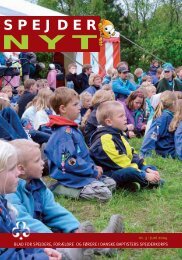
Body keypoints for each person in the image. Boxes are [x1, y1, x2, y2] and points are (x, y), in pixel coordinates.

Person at [44, 87, 116, 201]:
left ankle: (89, 184)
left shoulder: (72, 128)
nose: (80, 106)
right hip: (69, 176)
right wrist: (92, 170)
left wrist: (93, 167)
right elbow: (68, 162)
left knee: (111, 183)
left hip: (81, 172)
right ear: (63, 108)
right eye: (75, 104)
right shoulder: (64, 133)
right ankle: (59, 188)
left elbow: (83, 154)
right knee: (103, 194)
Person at [0, 140, 62, 259]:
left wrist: (41, 248)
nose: (18, 172)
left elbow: (16, 233)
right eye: (13, 168)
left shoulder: (2, 202)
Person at [89, 101, 163, 191]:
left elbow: (131, 153)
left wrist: (145, 168)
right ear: (109, 122)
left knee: (151, 168)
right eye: (121, 116)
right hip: (108, 173)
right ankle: (147, 182)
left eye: (124, 115)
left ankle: (134, 183)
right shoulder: (104, 138)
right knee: (130, 172)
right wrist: (144, 174)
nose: (125, 119)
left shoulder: (118, 134)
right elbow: (119, 162)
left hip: (120, 169)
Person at [140, 91, 177, 158]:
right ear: (174, 103)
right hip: (167, 151)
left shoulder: (169, 115)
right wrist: (145, 153)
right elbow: (152, 135)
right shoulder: (163, 117)